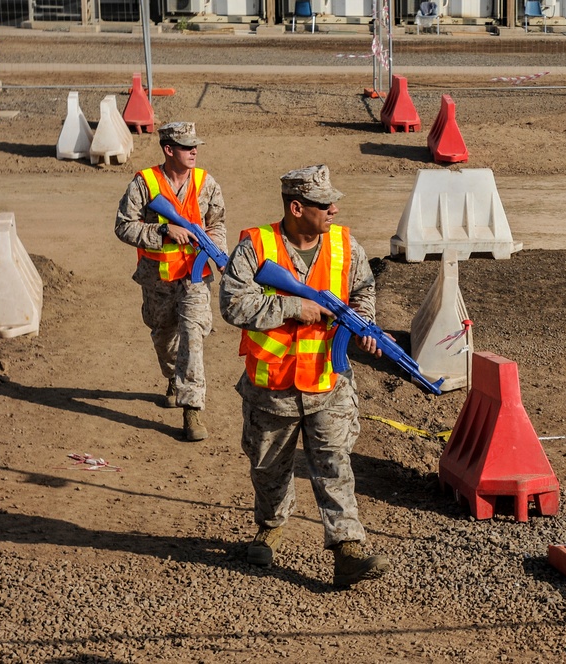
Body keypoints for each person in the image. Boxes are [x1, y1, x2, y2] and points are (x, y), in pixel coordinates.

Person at [219, 164, 390, 588]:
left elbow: (364, 291)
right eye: (322, 203)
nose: (333, 208)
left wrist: (362, 325)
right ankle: (271, 525)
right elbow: (233, 306)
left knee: (335, 465)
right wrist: (295, 307)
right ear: (297, 207)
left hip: (328, 381)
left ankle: (348, 548)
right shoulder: (255, 247)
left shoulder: (346, 246)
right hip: (271, 387)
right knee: (268, 469)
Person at [114, 121, 227, 442]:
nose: (194, 152)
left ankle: (192, 410)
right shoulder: (144, 183)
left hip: (196, 278)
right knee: (163, 336)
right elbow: (123, 227)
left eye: (196, 147)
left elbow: (218, 223)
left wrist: (216, 249)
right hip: (157, 277)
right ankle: (174, 377)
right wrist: (162, 231)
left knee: (193, 334)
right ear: (168, 149)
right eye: (187, 147)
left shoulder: (207, 183)